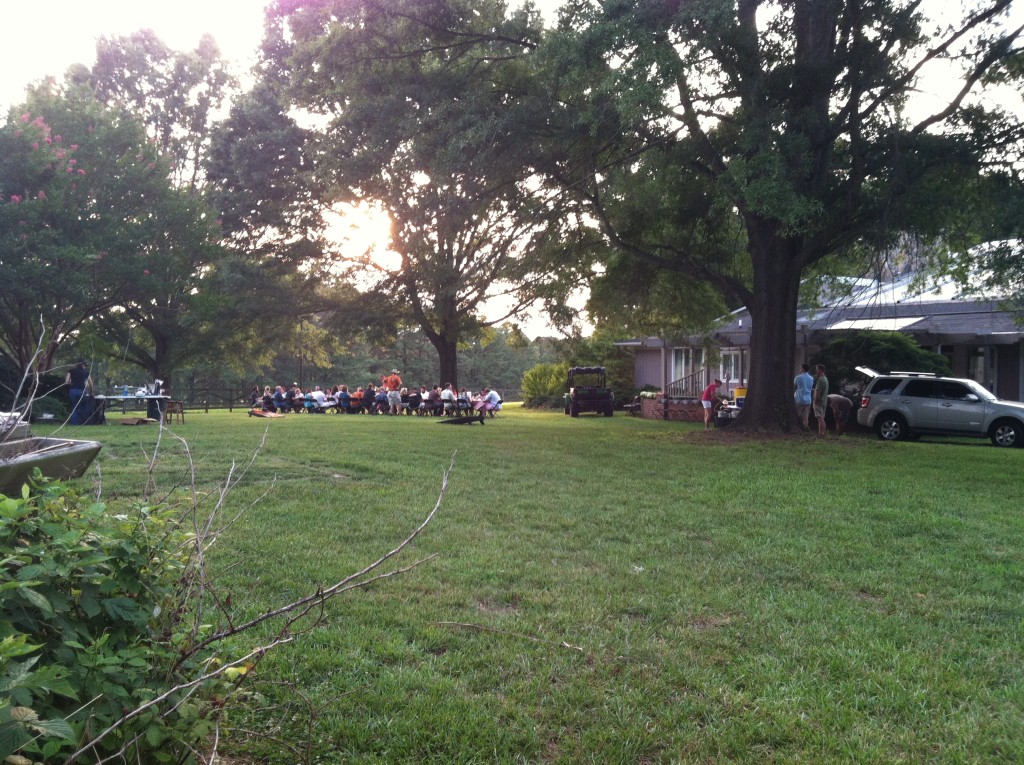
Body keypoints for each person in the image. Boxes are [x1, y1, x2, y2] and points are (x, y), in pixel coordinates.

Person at [65, 361, 93, 425]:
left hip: (73, 391)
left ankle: (75, 424)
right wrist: (91, 393)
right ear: (82, 365)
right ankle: (85, 423)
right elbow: (91, 384)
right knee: (84, 407)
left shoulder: (71, 371)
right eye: (85, 366)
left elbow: (66, 382)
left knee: (75, 407)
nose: (85, 367)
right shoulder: (86, 373)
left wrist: (71, 382)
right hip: (82, 391)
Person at [793, 363, 814, 432]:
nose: (800, 369)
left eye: (801, 368)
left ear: (803, 369)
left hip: (799, 398)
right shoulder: (811, 378)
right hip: (808, 399)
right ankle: (805, 429)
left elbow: (794, 386)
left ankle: (797, 428)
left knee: (797, 414)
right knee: (806, 416)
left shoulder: (798, 377)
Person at [812, 364, 829, 436]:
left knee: (820, 418)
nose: (816, 371)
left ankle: (824, 433)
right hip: (824, 401)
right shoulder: (825, 379)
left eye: (817, 369)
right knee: (821, 418)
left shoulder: (820, 380)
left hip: (818, 402)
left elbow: (817, 392)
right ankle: (820, 433)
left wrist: (815, 400)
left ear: (821, 370)